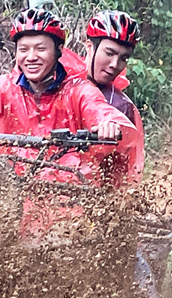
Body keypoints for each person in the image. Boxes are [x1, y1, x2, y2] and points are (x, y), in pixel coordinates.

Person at [0, 8, 134, 184]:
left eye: (41, 49)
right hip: (3, 189)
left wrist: (107, 124)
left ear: (59, 50)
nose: (31, 57)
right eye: (23, 49)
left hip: (60, 196)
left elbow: (98, 109)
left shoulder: (78, 90)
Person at [59, 10, 145, 187]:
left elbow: (120, 179)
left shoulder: (121, 106)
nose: (115, 65)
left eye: (123, 58)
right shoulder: (57, 81)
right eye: (109, 53)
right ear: (89, 46)